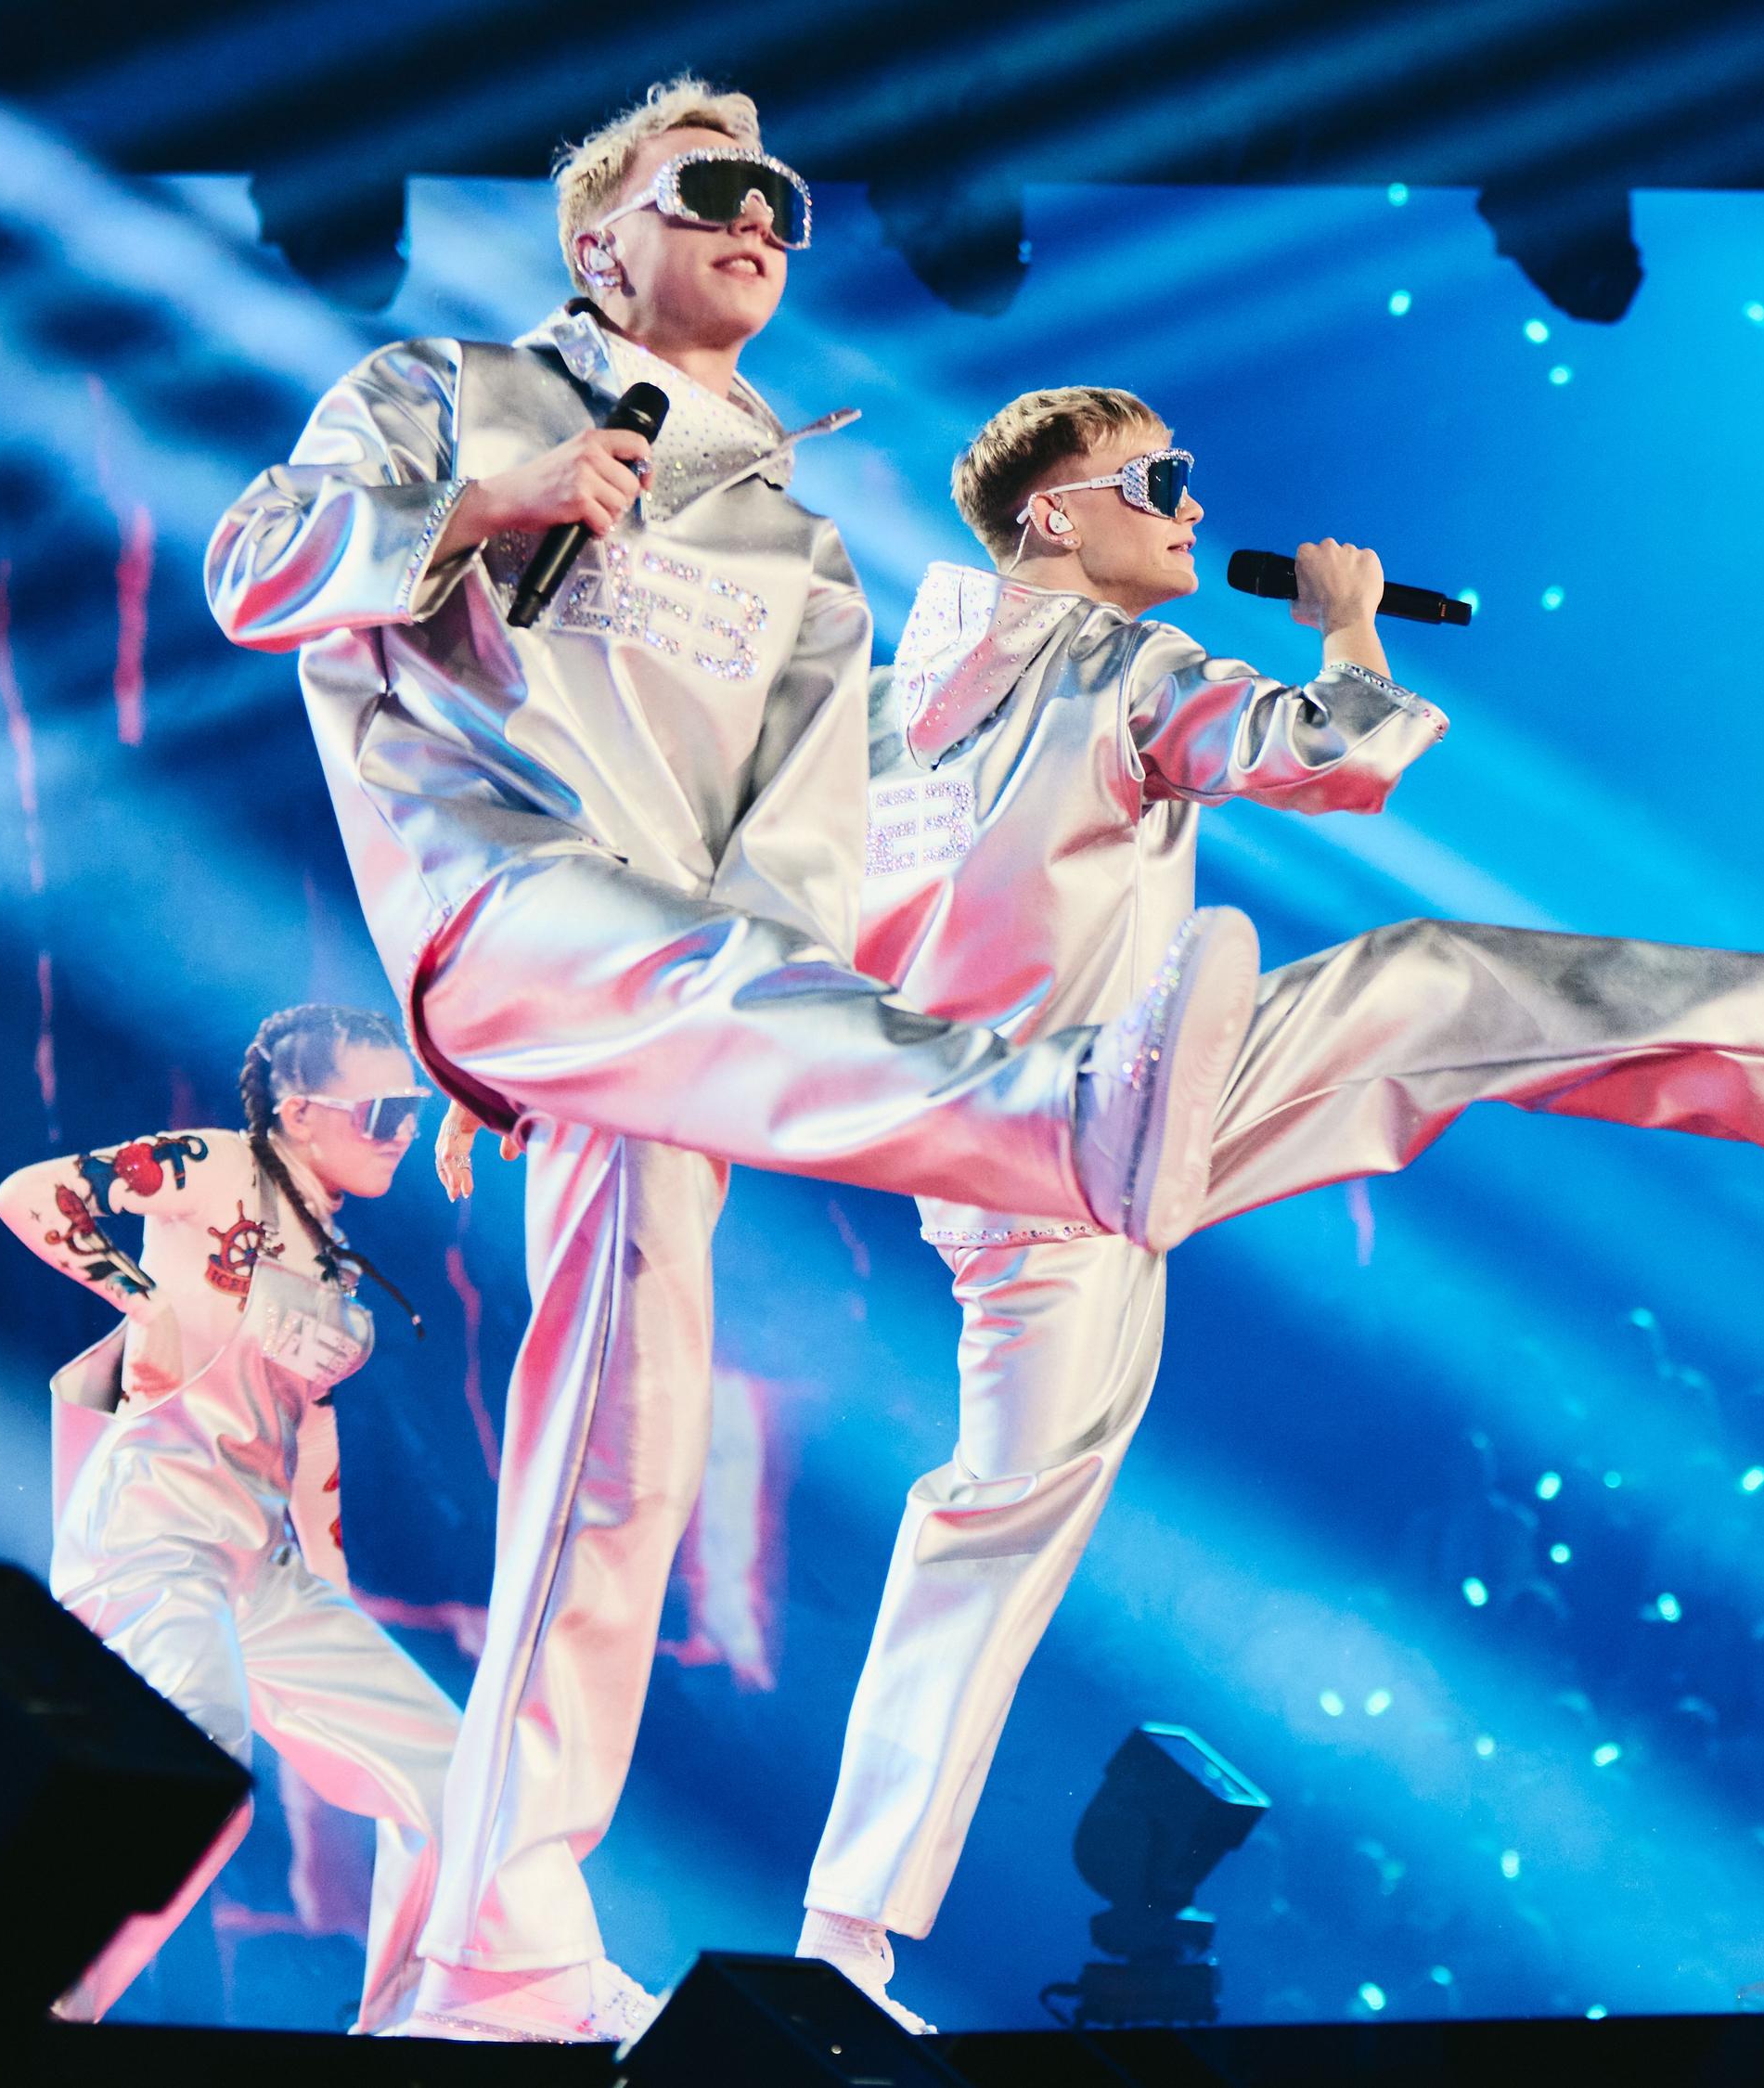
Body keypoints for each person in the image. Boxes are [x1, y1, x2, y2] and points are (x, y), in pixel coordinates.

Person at [202, 78, 1259, 2041]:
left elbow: (800, 863)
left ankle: (496, 1946)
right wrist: (489, 503)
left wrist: (720, 1045)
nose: (763, 215)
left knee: (624, 1451)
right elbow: (251, 571)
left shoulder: (798, 543)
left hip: (676, 1004)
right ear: (598, 237)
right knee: (704, 1013)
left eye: (781, 193)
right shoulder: (445, 390)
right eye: (713, 186)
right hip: (500, 902)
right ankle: (1065, 1123)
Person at [788, 385, 1764, 2022]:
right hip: (1121, 1105)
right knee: (1429, 980)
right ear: (1054, 514)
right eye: (1161, 479)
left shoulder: (885, 716)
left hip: (999, 1165)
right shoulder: (1118, 663)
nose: (1193, 508)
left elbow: (772, 923)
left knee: (992, 1521)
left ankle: (842, 1943)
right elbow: (1332, 754)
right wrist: (1347, 626)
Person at [0, 1004, 455, 2031]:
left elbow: (309, 1435)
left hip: (259, 1558)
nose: (403, 1132)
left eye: (413, 1112)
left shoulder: (332, 1250)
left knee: (450, 1777)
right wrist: (142, 1302)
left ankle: (417, 2030)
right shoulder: (216, 1165)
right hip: (156, 1527)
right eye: (384, 1111)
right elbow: (32, 1195)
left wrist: (332, 1598)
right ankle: (32, 2013)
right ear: (300, 1112)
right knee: (201, 1775)